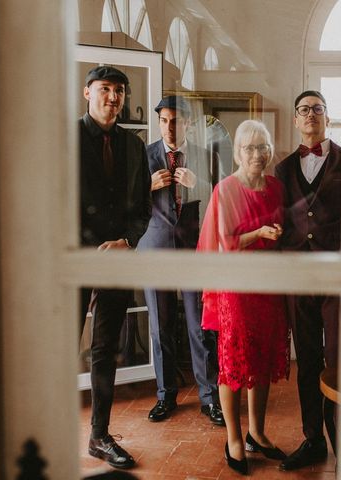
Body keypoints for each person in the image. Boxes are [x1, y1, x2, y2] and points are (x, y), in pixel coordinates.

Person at [197, 120, 290, 476]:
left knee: (263, 359)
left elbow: (284, 229)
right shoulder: (227, 189)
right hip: (236, 287)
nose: (257, 154)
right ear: (237, 152)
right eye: (249, 148)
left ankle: (257, 431)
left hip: (269, 286)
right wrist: (261, 232)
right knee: (234, 364)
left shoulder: (276, 188)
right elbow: (227, 243)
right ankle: (234, 438)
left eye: (262, 147)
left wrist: (277, 233)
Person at [79, 65, 151, 469]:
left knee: (105, 351)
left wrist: (127, 241)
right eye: (105, 89)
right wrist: (87, 248)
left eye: (119, 91)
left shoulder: (134, 146)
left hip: (119, 258)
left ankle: (100, 436)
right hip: (72, 259)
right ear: (87, 93)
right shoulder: (66, 138)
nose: (113, 97)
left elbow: (143, 208)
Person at [137, 95, 223, 426]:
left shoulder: (204, 157)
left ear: (188, 123)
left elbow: (221, 196)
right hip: (154, 249)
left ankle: (209, 397)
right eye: (164, 121)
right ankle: (165, 396)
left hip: (194, 252)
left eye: (176, 120)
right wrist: (148, 185)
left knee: (200, 326)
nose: (170, 127)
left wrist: (197, 183)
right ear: (159, 123)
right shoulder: (143, 156)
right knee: (159, 327)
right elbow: (128, 203)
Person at [275, 90, 341, 471]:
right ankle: (313, 439)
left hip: (337, 278)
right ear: (297, 121)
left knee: (337, 360)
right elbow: (278, 220)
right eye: (304, 110)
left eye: (318, 109)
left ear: (327, 118)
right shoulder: (282, 169)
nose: (311, 115)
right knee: (308, 360)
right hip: (298, 277)